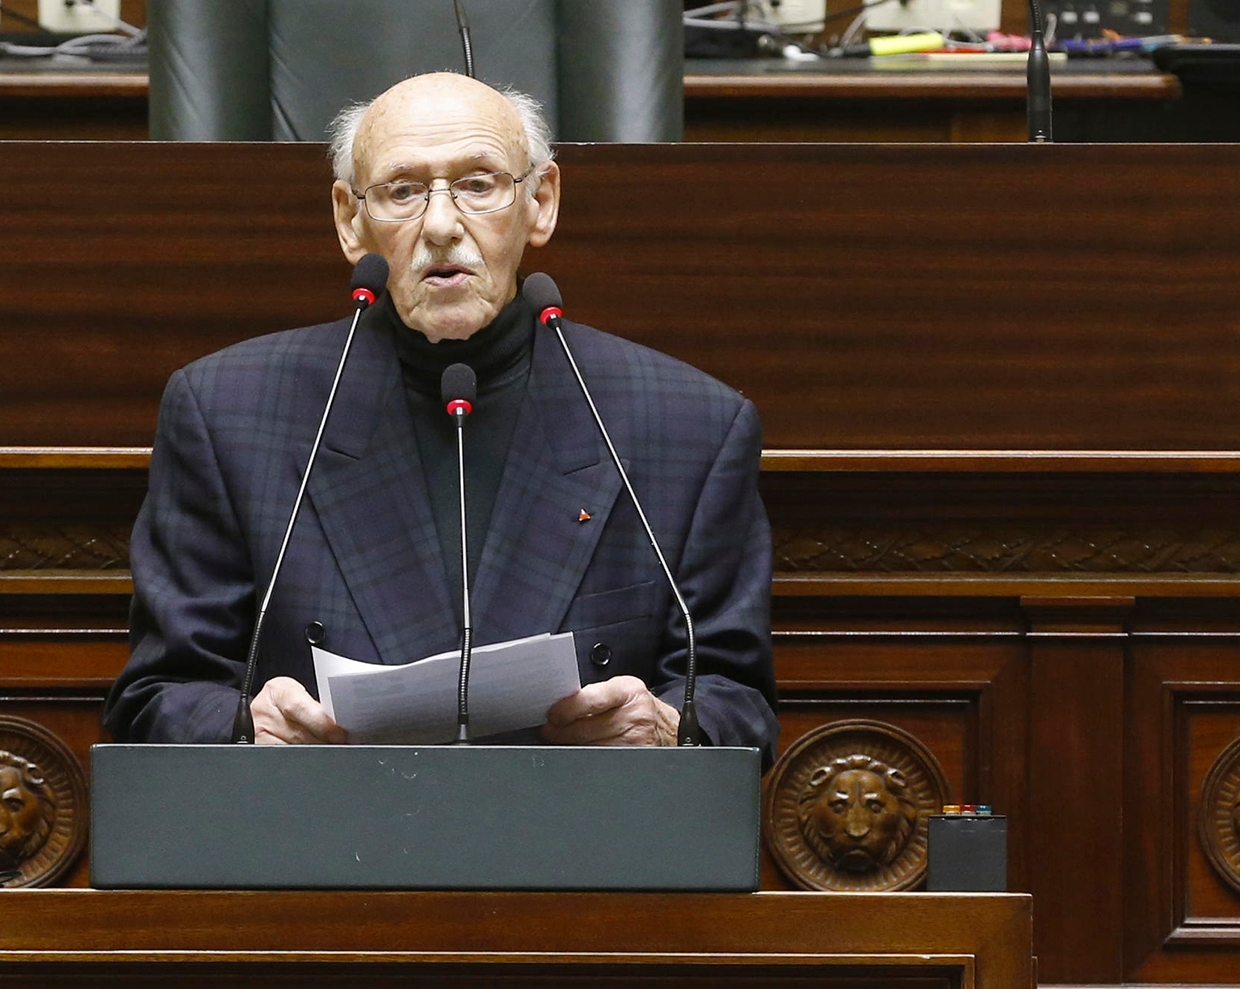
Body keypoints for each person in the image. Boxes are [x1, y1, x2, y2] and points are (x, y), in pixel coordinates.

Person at [104, 72, 776, 756]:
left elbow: (735, 701)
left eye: (479, 184)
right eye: (402, 191)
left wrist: (667, 730)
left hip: (577, 844)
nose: (442, 225)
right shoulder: (228, 412)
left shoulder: (689, 425)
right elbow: (158, 697)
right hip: (326, 842)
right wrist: (245, 727)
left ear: (540, 201)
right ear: (349, 220)